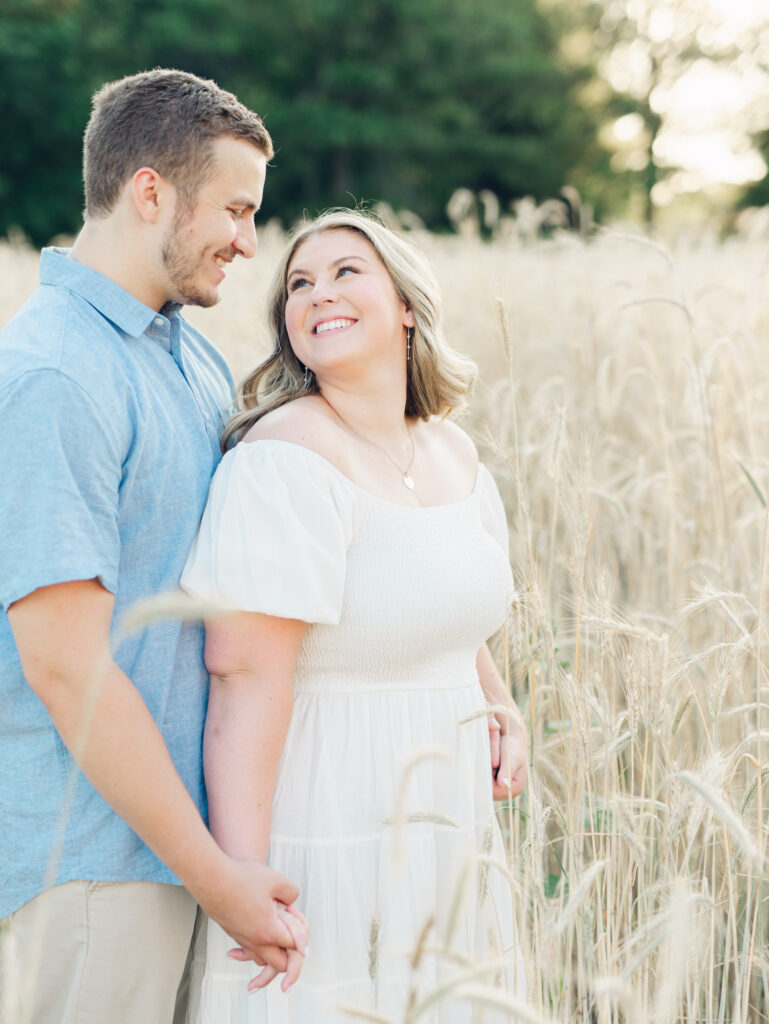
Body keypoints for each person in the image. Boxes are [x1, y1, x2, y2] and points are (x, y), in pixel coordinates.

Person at [0, 69, 307, 1024]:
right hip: (86, 865)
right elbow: (63, 665)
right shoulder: (54, 373)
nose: (249, 242)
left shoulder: (185, 352)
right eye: (235, 210)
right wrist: (214, 875)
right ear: (149, 194)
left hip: (176, 854)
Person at [181, 208, 529, 1022]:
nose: (317, 293)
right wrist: (241, 874)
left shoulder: (454, 454)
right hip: (328, 810)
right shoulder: (283, 458)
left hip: (445, 820)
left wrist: (500, 701)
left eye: (345, 272)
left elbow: (443, 612)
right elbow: (238, 674)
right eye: (298, 284)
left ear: (406, 304)